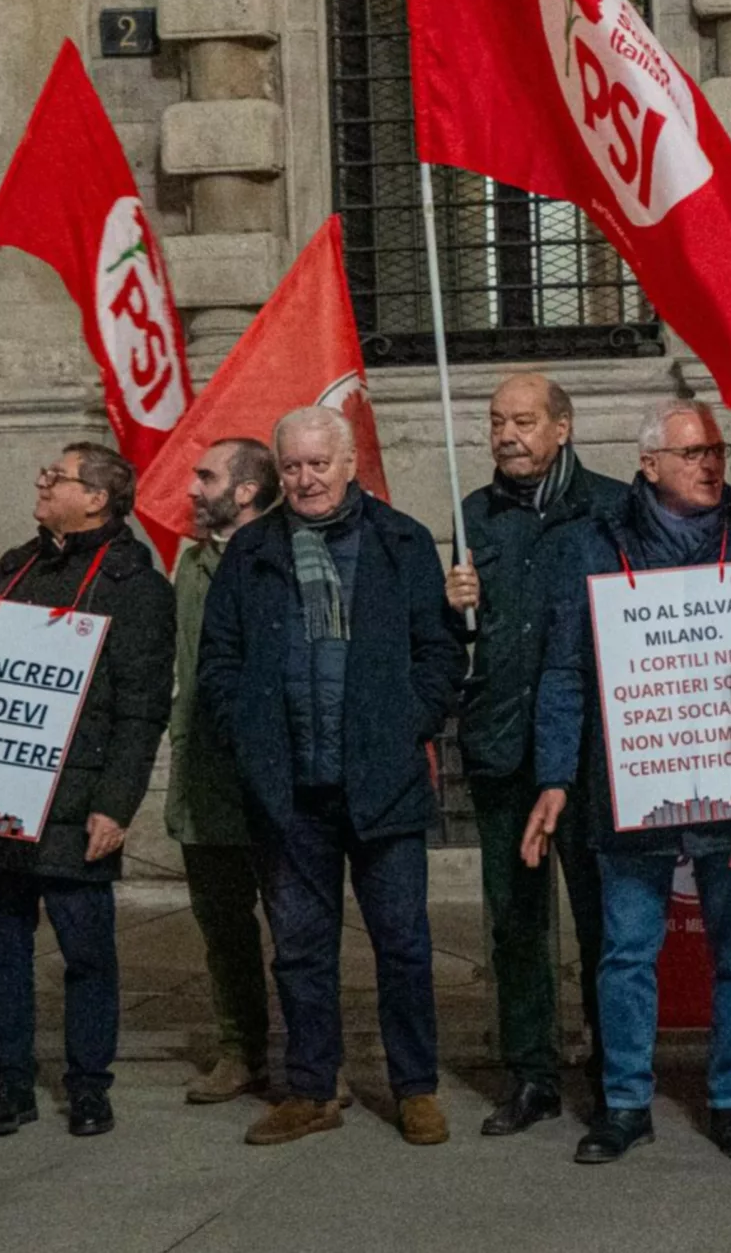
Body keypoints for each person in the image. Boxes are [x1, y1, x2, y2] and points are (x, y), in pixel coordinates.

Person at [521, 398, 731, 1164]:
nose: (710, 462)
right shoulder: (591, 545)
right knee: (625, 950)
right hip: (631, 780)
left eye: (717, 448)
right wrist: (554, 775)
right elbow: (564, 669)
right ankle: (623, 1102)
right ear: (649, 465)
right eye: (692, 452)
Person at [197, 406, 463, 1148]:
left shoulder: (402, 541)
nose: (306, 479)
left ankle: (416, 1088)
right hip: (288, 790)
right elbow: (219, 658)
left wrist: (410, 719)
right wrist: (247, 729)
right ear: (277, 472)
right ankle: (312, 1086)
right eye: (292, 466)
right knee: (301, 947)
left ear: (349, 464)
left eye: (319, 463)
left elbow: (440, 653)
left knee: (403, 943)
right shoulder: (250, 550)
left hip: (383, 783)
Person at [0, 444, 173, 1141]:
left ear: (99, 499)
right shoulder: (22, 563)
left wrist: (117, 802)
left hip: (76, 805)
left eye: (59, 476)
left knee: (86, 952)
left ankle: (88, 1086)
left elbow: (142, 707)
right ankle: (8, 1083)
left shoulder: (135, 585)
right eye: (44, 470)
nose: (42, 480)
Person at [443, 371, 622, 1133]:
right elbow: (457, 641)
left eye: (522, 420)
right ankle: (531, 1071)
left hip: (592, 755)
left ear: (563, 427)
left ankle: (617, 1065)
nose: (506, 435)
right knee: (515, 919)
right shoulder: (473, 514)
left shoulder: (611, 508)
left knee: (604, 914)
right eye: (495, 422)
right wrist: (452, 610)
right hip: (502, 744)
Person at [167, 438, 280, 1105]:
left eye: (205, 475)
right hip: (207, 775)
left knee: (300, 924)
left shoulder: (288, 552)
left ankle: (319, 1054)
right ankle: (240, 1048)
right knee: (223, 927)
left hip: (277, 775)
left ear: (243, 490)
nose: (191, 486)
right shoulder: (191, 567)